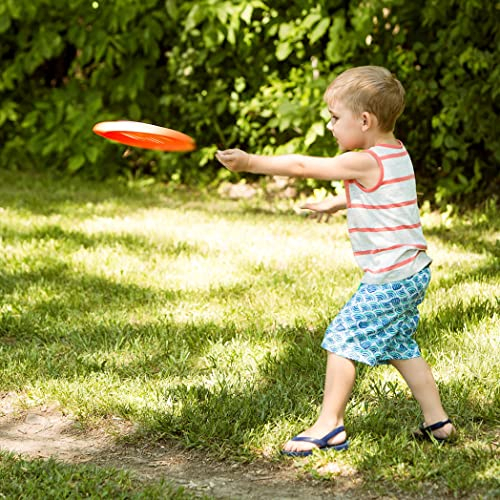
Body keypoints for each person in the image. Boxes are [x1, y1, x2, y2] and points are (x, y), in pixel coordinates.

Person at [215, 66, 455, 456]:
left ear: (364, 120)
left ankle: (330, 425)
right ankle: (437, 422)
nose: (329, 127)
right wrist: (339, 201)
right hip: (413, 270)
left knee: (342, 338)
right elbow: (385, 195)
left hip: (390, 276)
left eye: (334, 118)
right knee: (399, 345)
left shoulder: (363, 161)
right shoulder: (397, 152)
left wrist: (249, 163)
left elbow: (301, 166)